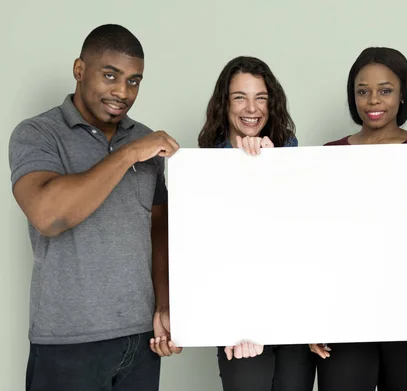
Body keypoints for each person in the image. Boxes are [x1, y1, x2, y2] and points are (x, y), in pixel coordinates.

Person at [9, 24, 182, 391]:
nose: (122, 92)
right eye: (110, 76)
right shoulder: (37, 134)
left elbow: (158, 231)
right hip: (67, 342)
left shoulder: (143, 138)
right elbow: (48, 215)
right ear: (79, 70)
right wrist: (129, 154)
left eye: (134, 81)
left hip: (140, 341)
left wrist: (164, 306)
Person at [309, 47, 407, 391]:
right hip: (346, 310)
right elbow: (316, 244)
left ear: (402, 96)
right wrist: (311, 315)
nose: (373, 100)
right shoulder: (330, 155)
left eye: (385, 90)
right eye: (362, 91)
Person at [197, 56, 316, 391]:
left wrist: (270, 168)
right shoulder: (203, 168)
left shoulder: (291, 154)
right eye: (240, 97)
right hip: (240, 327)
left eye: (260, 97)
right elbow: (210, 255)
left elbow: (302, 240)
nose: (252, 108)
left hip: (293, 318)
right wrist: (236, 322)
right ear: (224, 104)